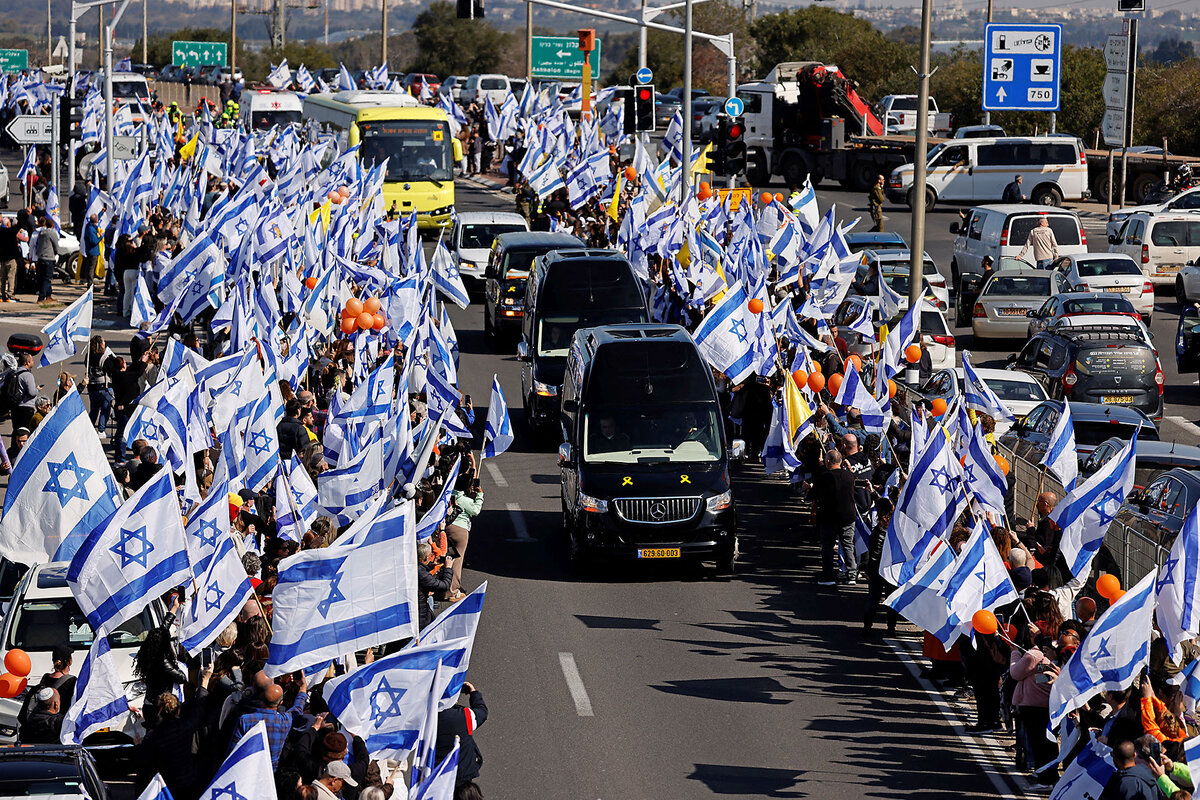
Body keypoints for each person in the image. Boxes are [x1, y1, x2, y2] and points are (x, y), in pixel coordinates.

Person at [227, 673, 309, 770]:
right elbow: (298, 708)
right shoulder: (284, 721)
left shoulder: (245, 720)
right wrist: (303, 687)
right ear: (280, 703)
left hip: (246, 770)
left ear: (262, 698)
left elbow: (233, 751)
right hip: (269, 772)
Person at [809, 450, 858, 586]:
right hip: (848, 515)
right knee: (848, 544)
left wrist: (808, 488)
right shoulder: (849, 476)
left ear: (828, 462)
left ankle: (828, 576)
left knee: (828, 546)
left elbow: (813, 495)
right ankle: (852, 575)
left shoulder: (824, 477)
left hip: (829, 516)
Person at [435, 681, 487, 785]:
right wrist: (474, 693)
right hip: (464, 774)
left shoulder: (425, 719)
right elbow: (482, 712)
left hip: (437, 776)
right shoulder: (464, 715)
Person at [445, 460, 482, 601]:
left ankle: (443, 588)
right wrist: (480, 496)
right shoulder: (464, 500)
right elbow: (475, 510)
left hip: (446, 528)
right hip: (460, 531)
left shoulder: (448, 494)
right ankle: (453, 591)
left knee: (447, 558)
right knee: (457, 561)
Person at [10, 351, 38, 437]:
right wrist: (37, 389)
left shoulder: (15, 373)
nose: (33, 362)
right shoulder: (27, 375)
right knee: (25, 433)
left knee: (16, 432)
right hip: (26, 408)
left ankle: (14, 445)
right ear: (27, 362)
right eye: (32, 360)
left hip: (15, 407)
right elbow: (32, 392)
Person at [34, 215, 59, 303]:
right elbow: (56, 246)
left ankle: (48, 295)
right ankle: (41, 298)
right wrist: (56, 252)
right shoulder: (52, 233)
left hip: (40, 257)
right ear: (53, 225)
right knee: (47, 278)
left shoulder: (41, 233)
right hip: (48, 258)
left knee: (43, 277)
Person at [0, 217, 19, 301]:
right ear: (8, 224)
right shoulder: (10, 232)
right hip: (11, 258)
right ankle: (10, 294)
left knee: (2, 277)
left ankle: (1, 294)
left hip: (2, 258)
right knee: (11, 276)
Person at [80, 213, 101, 286]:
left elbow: (95, 219)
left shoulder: (89, 226)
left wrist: (102, 212)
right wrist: (100, 237)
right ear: (96, 221)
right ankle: (90, 285)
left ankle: (91, 284)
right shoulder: (90, 229)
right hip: (92, 252)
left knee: (91, 268)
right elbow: (94, 241)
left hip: (92, 251)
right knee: (91, 269)